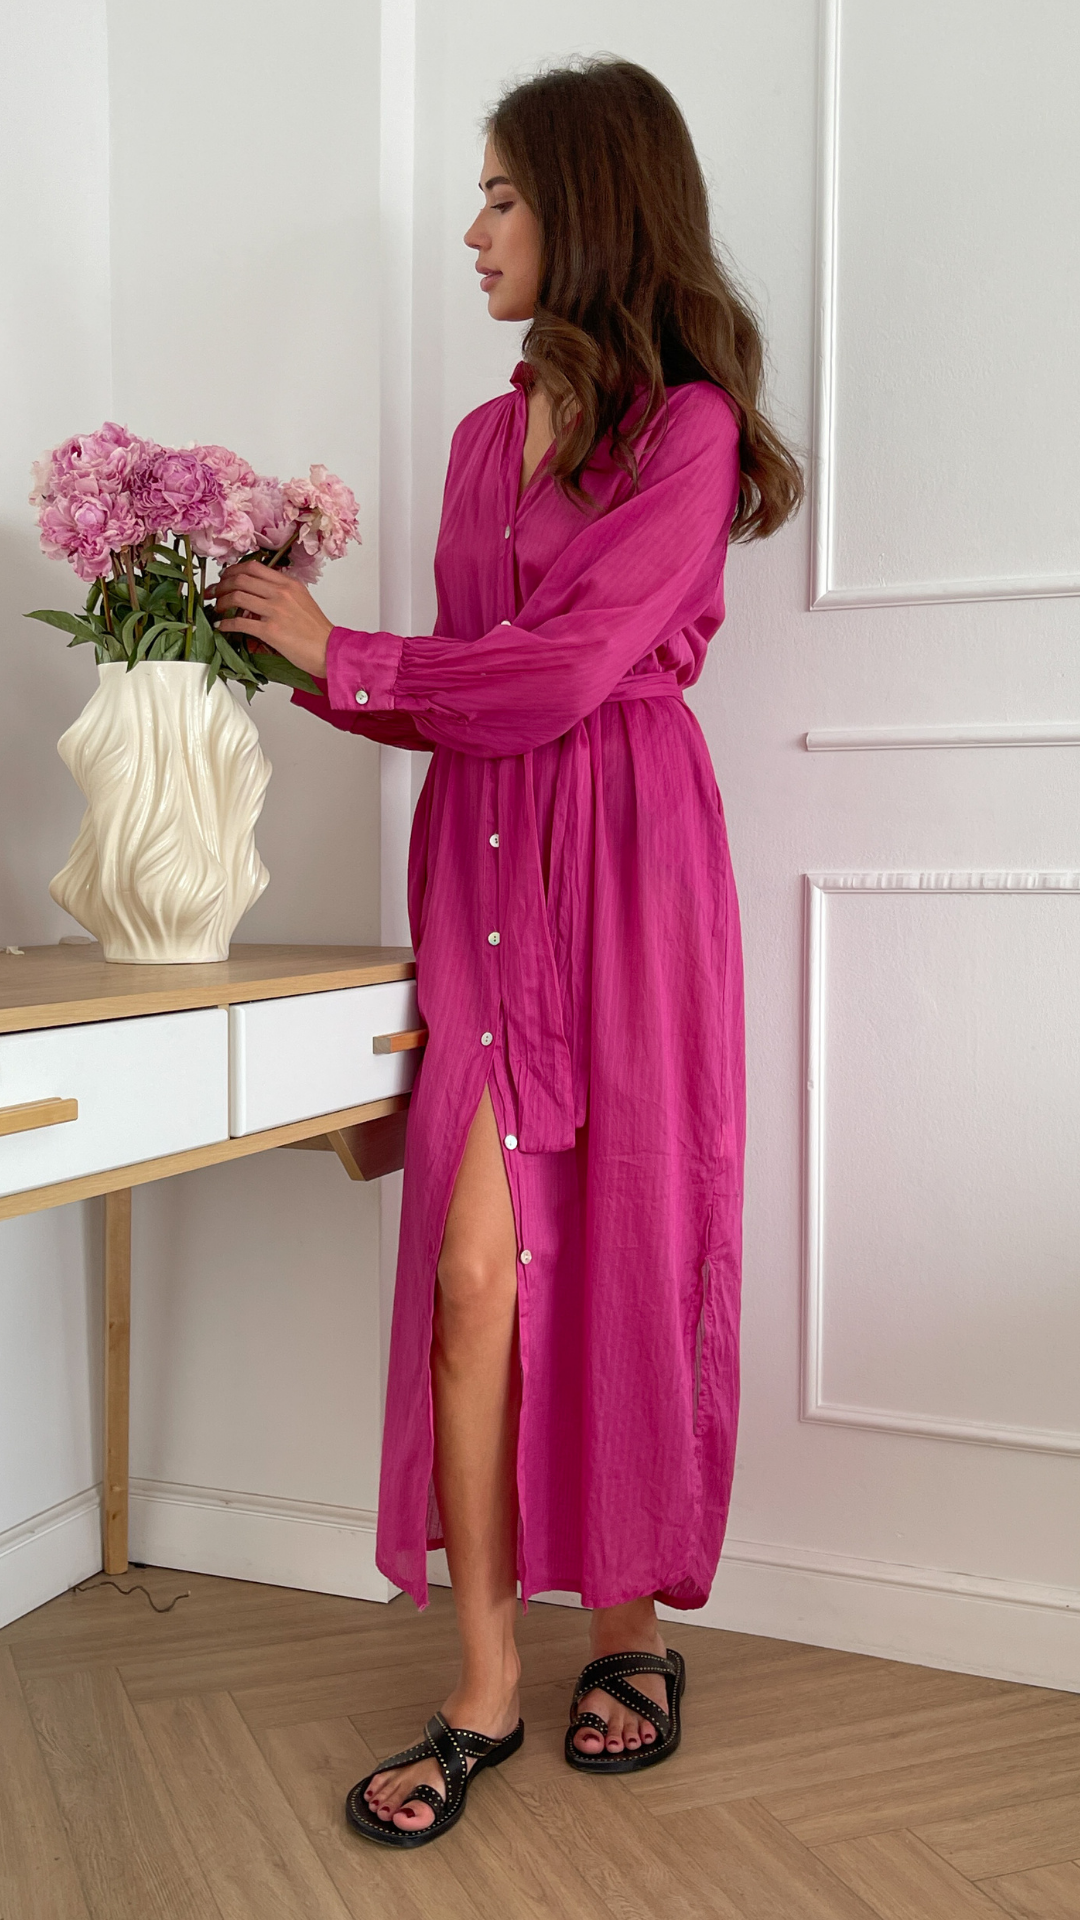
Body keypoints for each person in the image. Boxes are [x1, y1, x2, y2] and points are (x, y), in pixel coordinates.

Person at [209, 55, 804, 1850]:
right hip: (482, 872)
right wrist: (290, 660)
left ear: (589, 206)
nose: (471, 231)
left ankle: (628, 1634)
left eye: (500, 195)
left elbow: (560, 672)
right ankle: (482, 1680)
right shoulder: (483, 442)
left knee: (624, 1243)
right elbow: (472, 696)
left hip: (627, 872)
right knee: (476, 1279)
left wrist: (347, 651)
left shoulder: (686, 430)